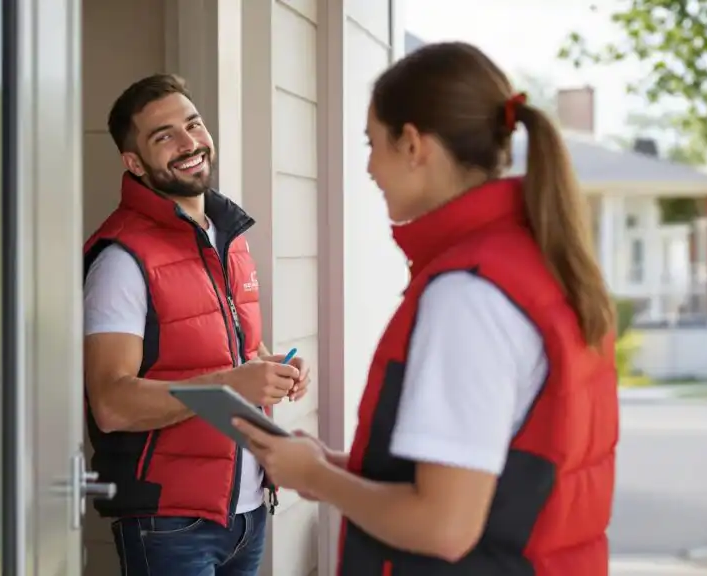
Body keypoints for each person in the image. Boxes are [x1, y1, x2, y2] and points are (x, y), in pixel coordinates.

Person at [233, 42, 618, 575]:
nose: (369, 167)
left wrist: (319, 480)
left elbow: (444, 526)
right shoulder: (530, 265)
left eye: (373, 144)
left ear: (412, 144)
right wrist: (327, 465)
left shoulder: (468, 295)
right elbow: (485, 477)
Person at [83, 73, 312, 576]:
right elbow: (110, 403)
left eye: (193, 125)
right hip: (169, 524)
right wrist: (233, 382)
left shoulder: (227, 237)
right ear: (134, 162)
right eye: (164, 136)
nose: (189, 144)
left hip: (247, 509)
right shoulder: (122, 259)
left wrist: (269, 369)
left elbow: (234, 353)